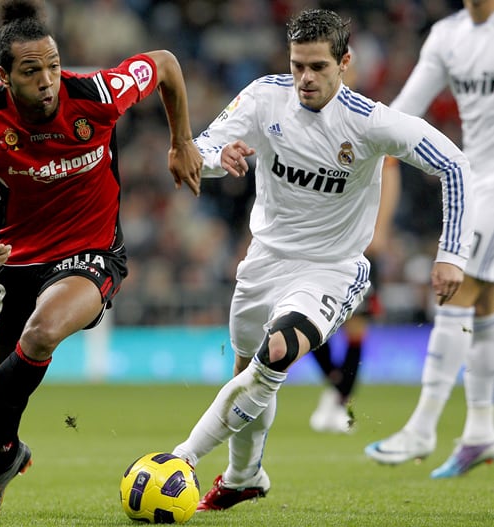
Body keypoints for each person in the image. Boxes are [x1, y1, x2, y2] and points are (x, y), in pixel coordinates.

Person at [171, 8, 473, 511]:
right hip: (264, 261)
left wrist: (451, 254)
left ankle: (180, 459)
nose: (305, 79)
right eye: (297, 66)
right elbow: (201, 145)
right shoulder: (265, 96)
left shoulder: (370, 122)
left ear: (345, 62)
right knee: (248, 373)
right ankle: (245, 476)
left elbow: (454, 163)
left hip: (331, 268)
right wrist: (213, 162)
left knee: (276, 353)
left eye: (317, 67)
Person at [0, 0, 202, 518]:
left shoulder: (96, 94)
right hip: (18, 255)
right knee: (8, 368)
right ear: (5, 76)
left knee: (41, 334)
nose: (47, 80)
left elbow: (164, 63)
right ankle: (5, 454)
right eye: (31, 71)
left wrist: (181, 140)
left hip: (91, 253)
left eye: (52, 65)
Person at [364, 0, 494, 478]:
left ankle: (422, 426)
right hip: (476, 177)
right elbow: (402, 114)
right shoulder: (447, 36)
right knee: (482, 308)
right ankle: (481, 431)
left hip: (490, 189)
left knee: (458, 293)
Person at [309, 157, 399, 433]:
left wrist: (380, 230)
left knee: (356, 324)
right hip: (322, 238)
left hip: (360, 241)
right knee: (309, 319)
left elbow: (390, 176)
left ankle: (339, 402)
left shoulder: (372, 129)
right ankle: (337, 391)